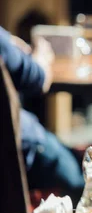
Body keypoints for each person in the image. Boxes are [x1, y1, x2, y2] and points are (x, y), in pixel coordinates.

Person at [0, 27, 85, 202]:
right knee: (84, 176)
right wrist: (42, 54)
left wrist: (9, 42)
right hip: (17, 149)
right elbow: (38, 79)